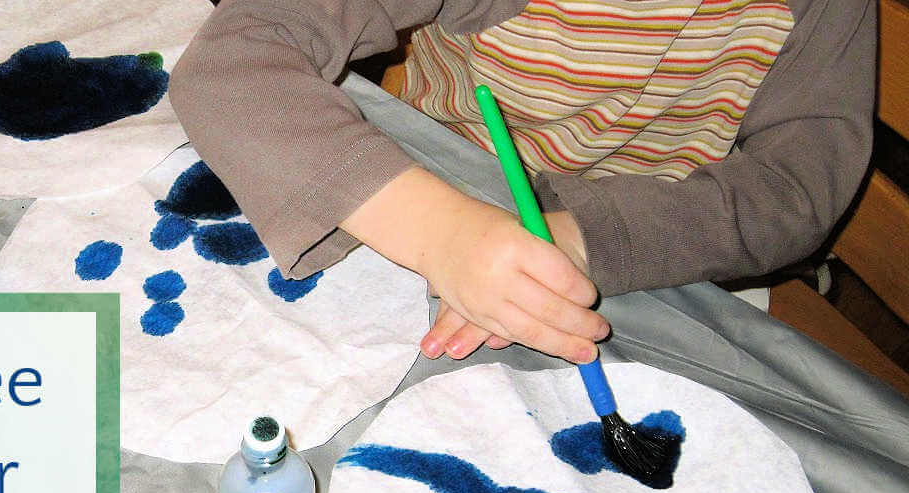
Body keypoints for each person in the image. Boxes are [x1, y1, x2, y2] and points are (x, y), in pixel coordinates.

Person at [168, 0, 875, 365]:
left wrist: (580, 239)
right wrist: (442, 231)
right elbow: (236, 60)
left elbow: (797, 193)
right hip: (433, 195)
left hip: (673, 247)